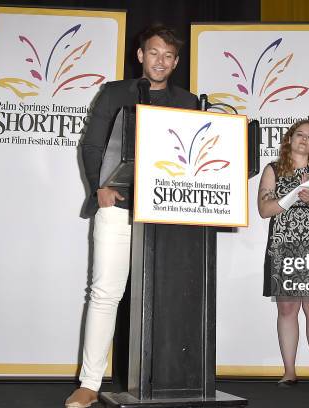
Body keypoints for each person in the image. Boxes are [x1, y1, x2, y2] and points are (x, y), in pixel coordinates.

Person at [65, 25, 197, 408]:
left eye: (169, 56)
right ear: (141, 55)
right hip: (117, 209)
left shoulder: (188, 102)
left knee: (166, 298)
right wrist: (98, 189)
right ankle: (89, 383)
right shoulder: (115, 92)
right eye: (154, 53)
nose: (161, 61)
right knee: (105, 294)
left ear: (176, 62)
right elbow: (91, 146)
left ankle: (163, 381)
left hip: (167, 214)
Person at [258, 119, 309, 387]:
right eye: (300, 135)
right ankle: (289, 371)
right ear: (290, 138)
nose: (305, 140)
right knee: (287, 307)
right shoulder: (273, 169)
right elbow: (264, 210)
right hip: (284, 245)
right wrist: (293, 194)